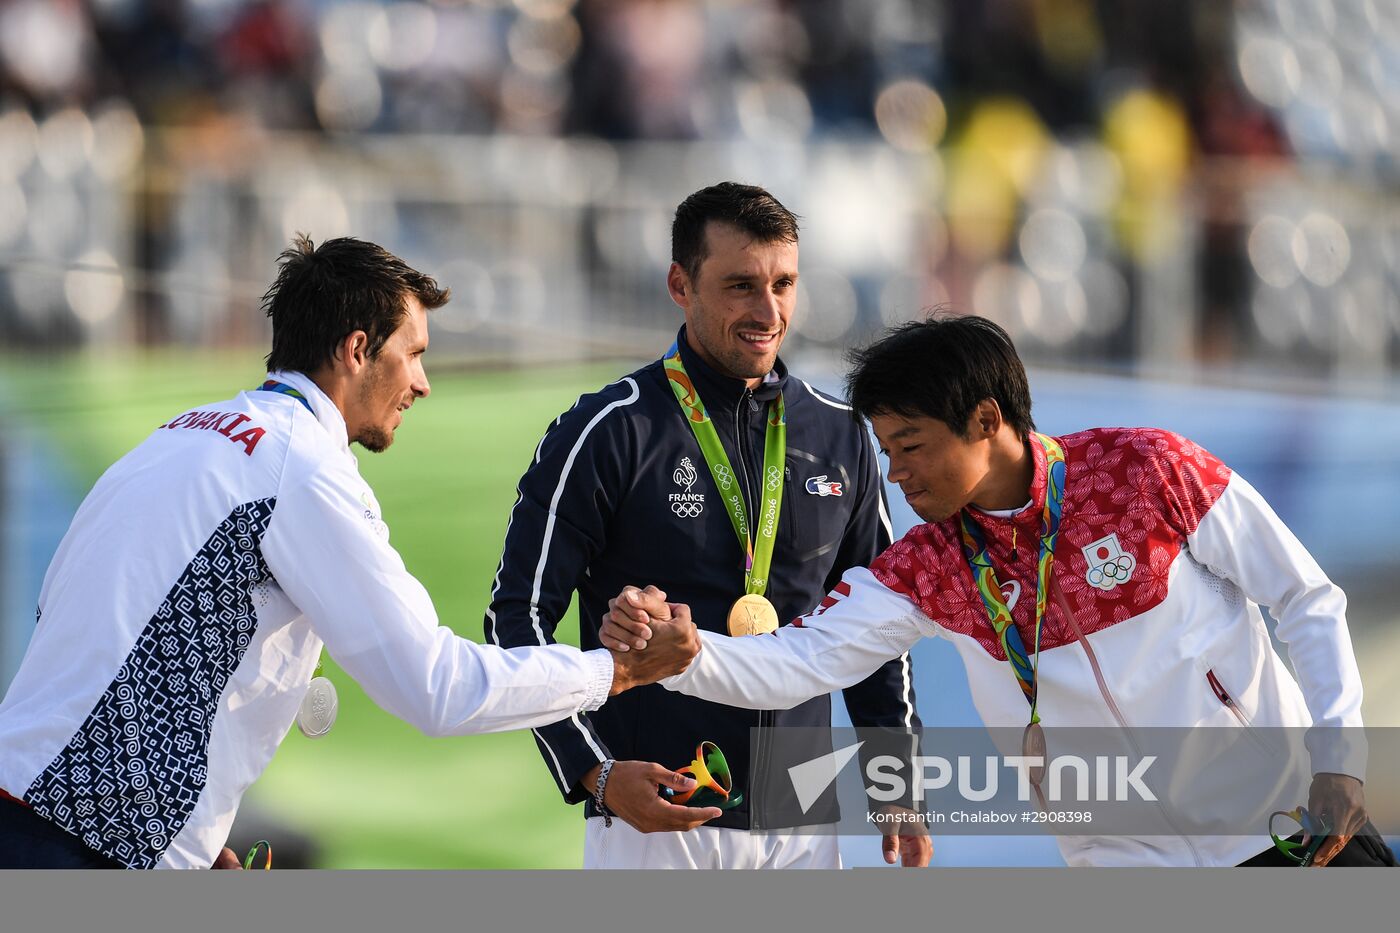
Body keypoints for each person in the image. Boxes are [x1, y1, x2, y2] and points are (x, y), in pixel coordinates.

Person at [0, 235, 700, 870]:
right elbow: (435, 686)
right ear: (358, 349)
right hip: (84, 845)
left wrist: (193, 837)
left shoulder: (176, 435)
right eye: (415, 353)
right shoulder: (302, 466)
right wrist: (618, 668)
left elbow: (71, 616)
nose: (423, 383)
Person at [606, 314, 1396, 868]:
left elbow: (1306, 598)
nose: (895, 473)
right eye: (885, 449)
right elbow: (802, 660)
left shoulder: (1147, 470)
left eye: (910, 446)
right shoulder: (928, 565)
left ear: (987, 419)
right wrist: (691, 655)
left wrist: (1338, 755)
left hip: (1288, 825)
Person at [485, 183, 925, 869]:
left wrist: (898, 780)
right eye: (741, 286)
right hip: (656, 823)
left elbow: (879, 623)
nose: (769, 310)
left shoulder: (839, 433)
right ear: (679, 284)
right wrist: (593, 771)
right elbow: (516, 619)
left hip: (803, 827)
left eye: (784, 283)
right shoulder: (608, 429)